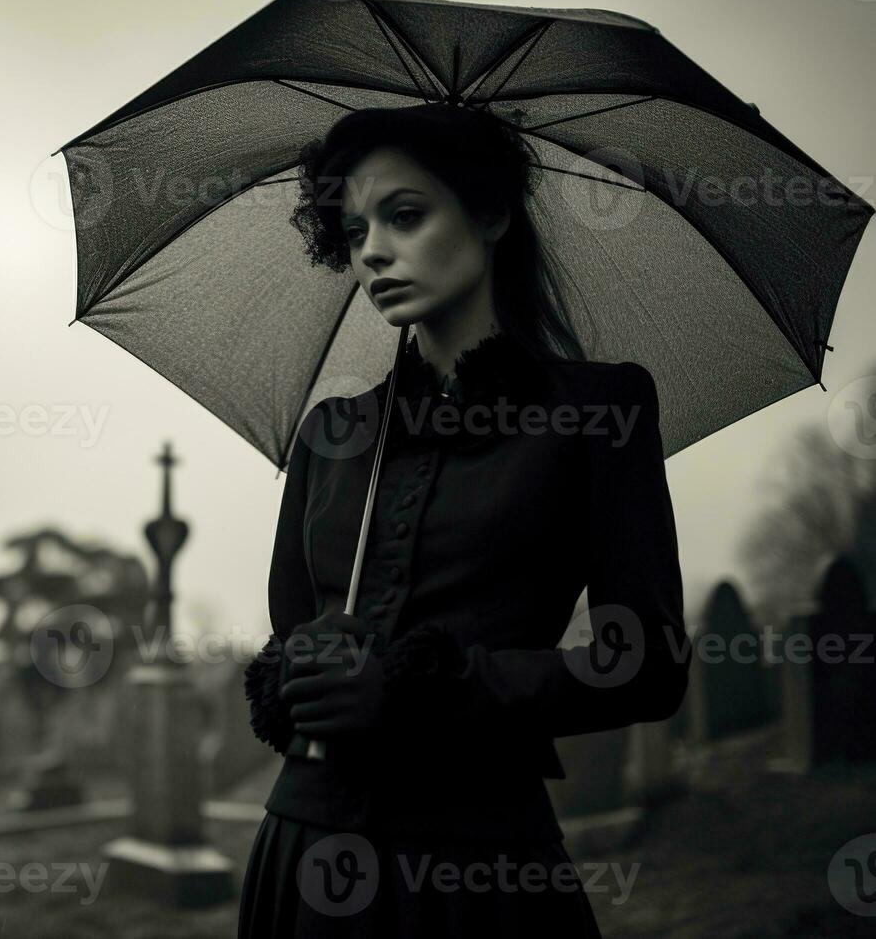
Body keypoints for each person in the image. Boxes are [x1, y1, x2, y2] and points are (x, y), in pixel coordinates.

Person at [236, 103, 689, 938]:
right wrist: (302, 671)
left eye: (405, 216)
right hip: (301, 856)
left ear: (490, 212)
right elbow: (292, 628)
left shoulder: (598, 411)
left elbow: (649, 664)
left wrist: (420, 692)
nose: (373, 250)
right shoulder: (333, 435)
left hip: (475, 870)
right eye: (355, 228)